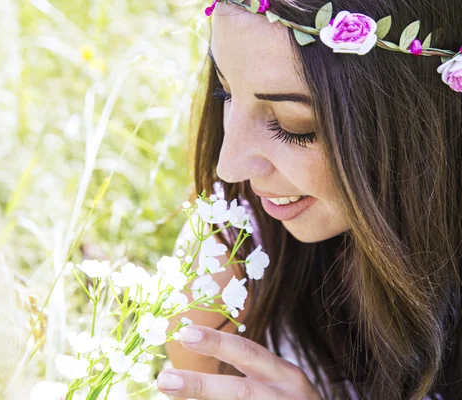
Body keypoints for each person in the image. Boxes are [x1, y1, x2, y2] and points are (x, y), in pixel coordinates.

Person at [159, 0, 462, 399]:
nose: (229, 168)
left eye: (293, 126)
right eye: (225, 91)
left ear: (420, 118)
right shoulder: (232, 256)